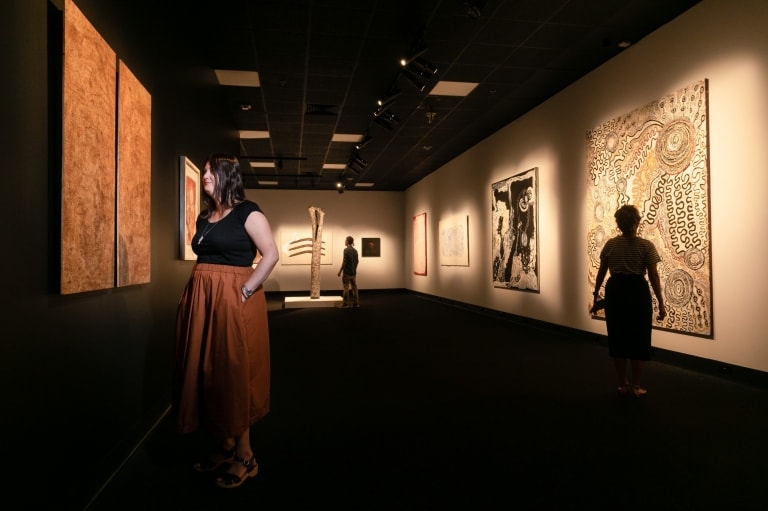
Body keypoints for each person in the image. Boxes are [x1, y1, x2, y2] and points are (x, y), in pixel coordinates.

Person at [173, 153, 279, 489]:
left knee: (233, 372)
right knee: (208, 371)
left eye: (211, 171)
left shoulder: (248, 211)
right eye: (204, 171)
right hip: (204, 299)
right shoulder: (205, 217)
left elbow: (271, 254)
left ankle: (246, 456)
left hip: (233, 299)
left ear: (228, 175)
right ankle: (226, 445)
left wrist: (245, 290)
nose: (206, 175)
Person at [591, 205, 666, 398]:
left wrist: (596, 293)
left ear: (618, 224)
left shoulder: (610, 245)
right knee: (639, 339)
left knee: (618, 338)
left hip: (615, 290)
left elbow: (601, 273)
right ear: (637, 222)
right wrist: (661, 302)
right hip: (637, 291)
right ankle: (636, 386)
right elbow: (653, 276)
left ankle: (623, 384)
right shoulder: (646, 246)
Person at [337, 235, 359, 307]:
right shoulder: (355, 251)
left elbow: (344, 261)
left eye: (345, 240)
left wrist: (340, 271)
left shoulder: (346, 250)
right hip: (353, 273)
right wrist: (354, 268)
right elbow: (357, 261)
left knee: (346, 288)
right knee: (354, 288)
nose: (345, 242)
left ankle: (345, 304)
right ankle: (356, 303)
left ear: (347, 241)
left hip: (347, 273)